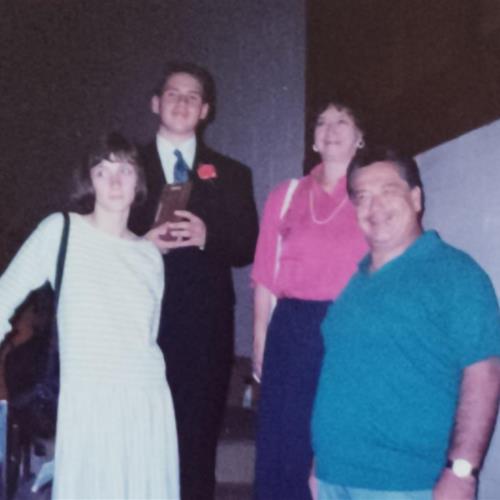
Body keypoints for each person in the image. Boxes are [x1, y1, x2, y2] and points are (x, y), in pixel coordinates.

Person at [311, 146, 500, 500]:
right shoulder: (355, 284)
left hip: (406, 483)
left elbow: (483, 373)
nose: (374, 206)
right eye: (363, 197)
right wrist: (320, 463)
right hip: (333, 477)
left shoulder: (455, 273)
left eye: (388, 191)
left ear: (416, 198)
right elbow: (340, 378)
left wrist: (462, 472)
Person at [0, 132, 179, 499]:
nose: (114, 181)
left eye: (125, 170)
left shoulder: (149, 256)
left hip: (147, 401)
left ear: (138, 181)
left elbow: (147, 336)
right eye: (102, 171)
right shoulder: (61, 230)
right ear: (89, 182)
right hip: (90, 401)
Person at [128, 61, 259, 500]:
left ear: (205, 110)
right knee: (137, 437)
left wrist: (208, 236)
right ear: (155, 103)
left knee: (196, 441)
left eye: (192, 97)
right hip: (138, 320)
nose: (182, 103)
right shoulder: (125, 167)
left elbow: (246, 247)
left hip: (205, 326)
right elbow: (101, 237)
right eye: (173, 94)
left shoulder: (233, 173)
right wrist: (141, 245)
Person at [251, 100, 368, 499]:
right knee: (286, 446)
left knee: (340, 441)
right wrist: (260, 339)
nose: (330, 129)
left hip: (351, 328)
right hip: (292, 331)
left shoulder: (370, 195)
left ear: (359, 137)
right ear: (314, 139)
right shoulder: (286, 195)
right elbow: (265, 274)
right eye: (322, 122)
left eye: (342, 121)